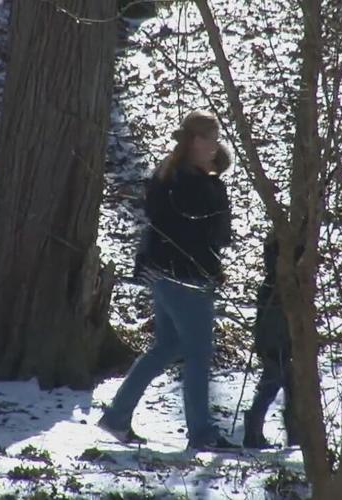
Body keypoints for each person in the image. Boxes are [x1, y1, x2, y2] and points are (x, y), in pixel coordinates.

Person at [99, 110, 238, 451]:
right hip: (186, 277)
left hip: (163, 273)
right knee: (198, 353)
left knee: (167, 346)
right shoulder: (195, 184)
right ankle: (202, 433)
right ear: (193, 141)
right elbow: (204, 236)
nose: (214, 144)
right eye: (210, 138)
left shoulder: (168, 176)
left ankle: (117, 417)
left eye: (217, 138)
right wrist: (212, 267)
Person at [242, 232, 301, 448]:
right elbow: (275, 321)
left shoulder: (274, 283)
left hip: (277, 343)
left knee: (292, 387)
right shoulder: (280, 287)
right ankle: (253, 429)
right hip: (278, 345)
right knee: (272, 384)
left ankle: (296, 435)